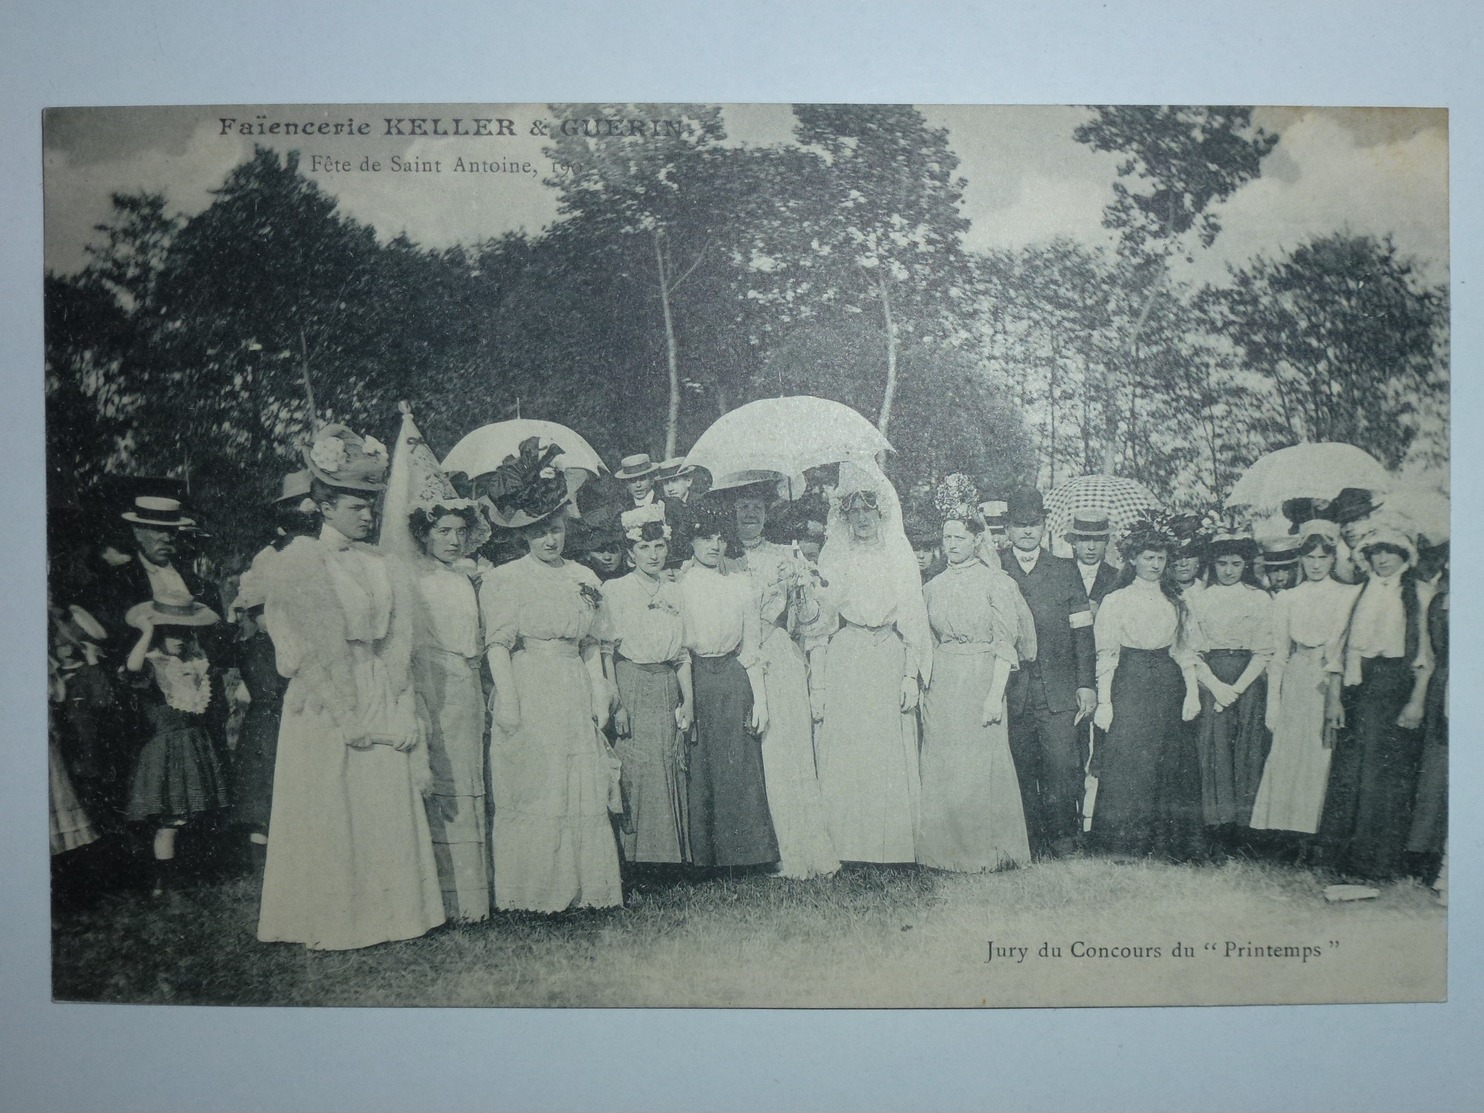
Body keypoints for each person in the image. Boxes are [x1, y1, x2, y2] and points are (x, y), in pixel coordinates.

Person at [257, 424, 445, 950]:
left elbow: (395, 639)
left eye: (370, 504)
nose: (367, 515)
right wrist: (343, 710)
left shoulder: (384, 564)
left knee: (382, 797)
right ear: (324, 507)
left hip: (375, 680)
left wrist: (397, 696)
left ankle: (393, 913)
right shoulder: (298, 563)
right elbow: (294, 646)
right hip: (325, 691)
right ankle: (332, 917)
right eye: (355, 505)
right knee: (331, 801)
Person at [479, 437, 624, 913]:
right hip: (530, 682)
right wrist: (511, 701)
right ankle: (536, 889)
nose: (551, 539)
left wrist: (599, 694)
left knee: (577, 780)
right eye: (541, 531)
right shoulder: (507, 579)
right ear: (524, 534)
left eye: (557, 529)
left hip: (572, 684)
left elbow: (590, 644)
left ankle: (586, 889)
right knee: (538, 782)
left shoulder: (582, 577)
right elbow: (497, 645)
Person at [812, 460, 932, 864]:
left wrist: (910, 674)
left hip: (889, 651)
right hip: (848, 652)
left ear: (881, 510)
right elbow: (822, 616)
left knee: (887, 748)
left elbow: (913, 615)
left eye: (868, 509)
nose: (862, 518)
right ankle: (848, 844)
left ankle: (891, 845)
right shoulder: (835, 555)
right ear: (844, 514)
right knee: (849, 746)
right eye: (854, 510)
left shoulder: (897, 553)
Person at [727, 481, 839, 880]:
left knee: (784, 749)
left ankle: (796, 847)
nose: (750, 514)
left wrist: (799, 587)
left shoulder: (784, 556)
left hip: (777, 655)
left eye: (757, 506)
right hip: (733, 657)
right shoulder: (722, 559)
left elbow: (809, 623)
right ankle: (750, 849)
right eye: (742, 506)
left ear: (768, 511)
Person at [917, 480, 1030, 872]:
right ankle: (944, 853)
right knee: (945, 763)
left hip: (982, 676)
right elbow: (926, 642)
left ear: (977, 539)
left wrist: (993, 695)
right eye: (947, 537)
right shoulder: (931, 587)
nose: (951, 544)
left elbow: (1006, 643)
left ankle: (986, 852)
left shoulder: (996, 583)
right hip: (943, 681)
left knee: (981, 766)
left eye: (960, 537)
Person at [1318, 521, 1435, 882]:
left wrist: (1416, 702)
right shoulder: (1356, 594)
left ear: (1404, 555)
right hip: (1359, 691)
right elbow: (1337, 652)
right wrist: (1334, 701)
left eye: (1390, 551)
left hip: (1397, 692)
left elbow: (1425, 658)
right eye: (1375, 552)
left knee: (1387, 780)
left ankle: (1379, 863)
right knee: (1350, 776)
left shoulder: (1421, 594)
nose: (1383, 559)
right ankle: (1342, 860)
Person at [1088, 511, 1205, 861]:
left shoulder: (1177, 600)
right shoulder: (1117, 600)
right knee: (1129, 762)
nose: (1155, 565)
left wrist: (1193, 694)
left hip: (1168, 684)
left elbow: (1185, 651)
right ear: (1134, 559)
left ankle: (1170, 845)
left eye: (1161, 558)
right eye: (1148, 558)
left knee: (1171, 763)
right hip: (1130, 682)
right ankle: (1124, 845)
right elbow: (1107, 654)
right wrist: (1105, 702)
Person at [678, 496, 778, 872]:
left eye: (720, 538)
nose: (714, 546)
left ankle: (747, 856)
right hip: (700, 677)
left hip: (734, 678)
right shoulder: (683, 586)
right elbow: (682, 650)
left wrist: (762, 701)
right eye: (706, 538)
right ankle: (706, 858)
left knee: (739, 764)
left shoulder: (740, 584)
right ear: (692, 542)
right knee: (703, 765)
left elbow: (751, 646)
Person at [405, 498, 492, 922]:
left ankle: (473, 895)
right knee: (441, 773)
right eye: (443, 531)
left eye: (460, 532)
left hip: (466, 684)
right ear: (423, 533)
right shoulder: (413, 579)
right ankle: (442, 895)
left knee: (467, 772)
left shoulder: (463, 579)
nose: (454, 540)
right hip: (431, 682)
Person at [226, 470, 318, 866]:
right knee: (272, 733)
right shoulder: (269, 557)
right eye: (302, 511)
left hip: (320, 652)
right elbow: (260, 614)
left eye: (315, 512)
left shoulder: (328, 553)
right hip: (278, 652)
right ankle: (260, 832)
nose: (309, 519)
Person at [999, 487, 1096, 859]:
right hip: (1013, 689)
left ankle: (1064, 839)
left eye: (1034, 524)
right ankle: (1029, 841)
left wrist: (1086, 684)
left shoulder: (1064, 570)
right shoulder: (995, 568)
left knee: (1062, 766)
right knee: (1020, 766)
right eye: (1019, 525)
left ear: (1043, 526)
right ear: (1007, 529)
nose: (1027, 532)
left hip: (1057, 690)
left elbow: (1083, 634)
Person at [1249, 522, 1361, 843]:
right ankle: (1286, 835)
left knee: (1321, 755)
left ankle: (1316, 835)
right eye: (1309, 557)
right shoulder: (1288, 599)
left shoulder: (1347, 595)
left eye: (1322, 557)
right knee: (1289, 754)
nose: (1315, 564)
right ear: (1300, 559)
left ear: (1332, 559)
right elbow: (1280, 655)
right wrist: (1274, 703)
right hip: (1297, 678)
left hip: (1329, 679)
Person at [120, 593, 230, 896]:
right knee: (169, 818)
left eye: (185, 632)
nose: (180, 640)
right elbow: (131, 668)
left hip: (194, 746)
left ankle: (187, 875)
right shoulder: (153, 665)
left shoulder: (194, 665)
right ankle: (163, 881)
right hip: (166, 750)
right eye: (172, 633)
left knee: (193, 814)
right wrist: (146, 633)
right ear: (159, 635)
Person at [605, 504, 693, 870]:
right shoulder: (616, 590)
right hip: (631, 680)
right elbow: (606, 650)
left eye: (658, 546)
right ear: (630, 554)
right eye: (644, 547)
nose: (653, 554)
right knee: (636, 768)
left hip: (666, 683)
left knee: (667, 763)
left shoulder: (675, 591)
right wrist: (616, 703)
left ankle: (669, 858)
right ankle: (635, 859)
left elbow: (683, 654)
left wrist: (688, 700)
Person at [1187, 517, 1276, 848]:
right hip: (1212, 682)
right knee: (1214, 752)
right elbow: (1192, 652)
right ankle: (1217, 829)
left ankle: (1246, 830)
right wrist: (1216, 687)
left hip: (1247, 680)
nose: (1228, 570)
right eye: (1222, 563)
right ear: (1213, 564)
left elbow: (1264, 651)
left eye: (1236, 563)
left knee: (1247, 752)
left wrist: (1237, 689)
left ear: (1246, 565)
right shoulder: (1200, 598)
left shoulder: (1258, 598)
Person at [1066, 513, 1119, 617]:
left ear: (1106, 542)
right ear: (1074, 542)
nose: (1091, 547)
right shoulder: (1060, 572)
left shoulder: (1116, 577)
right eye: (1085, 539)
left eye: (1098, 540)